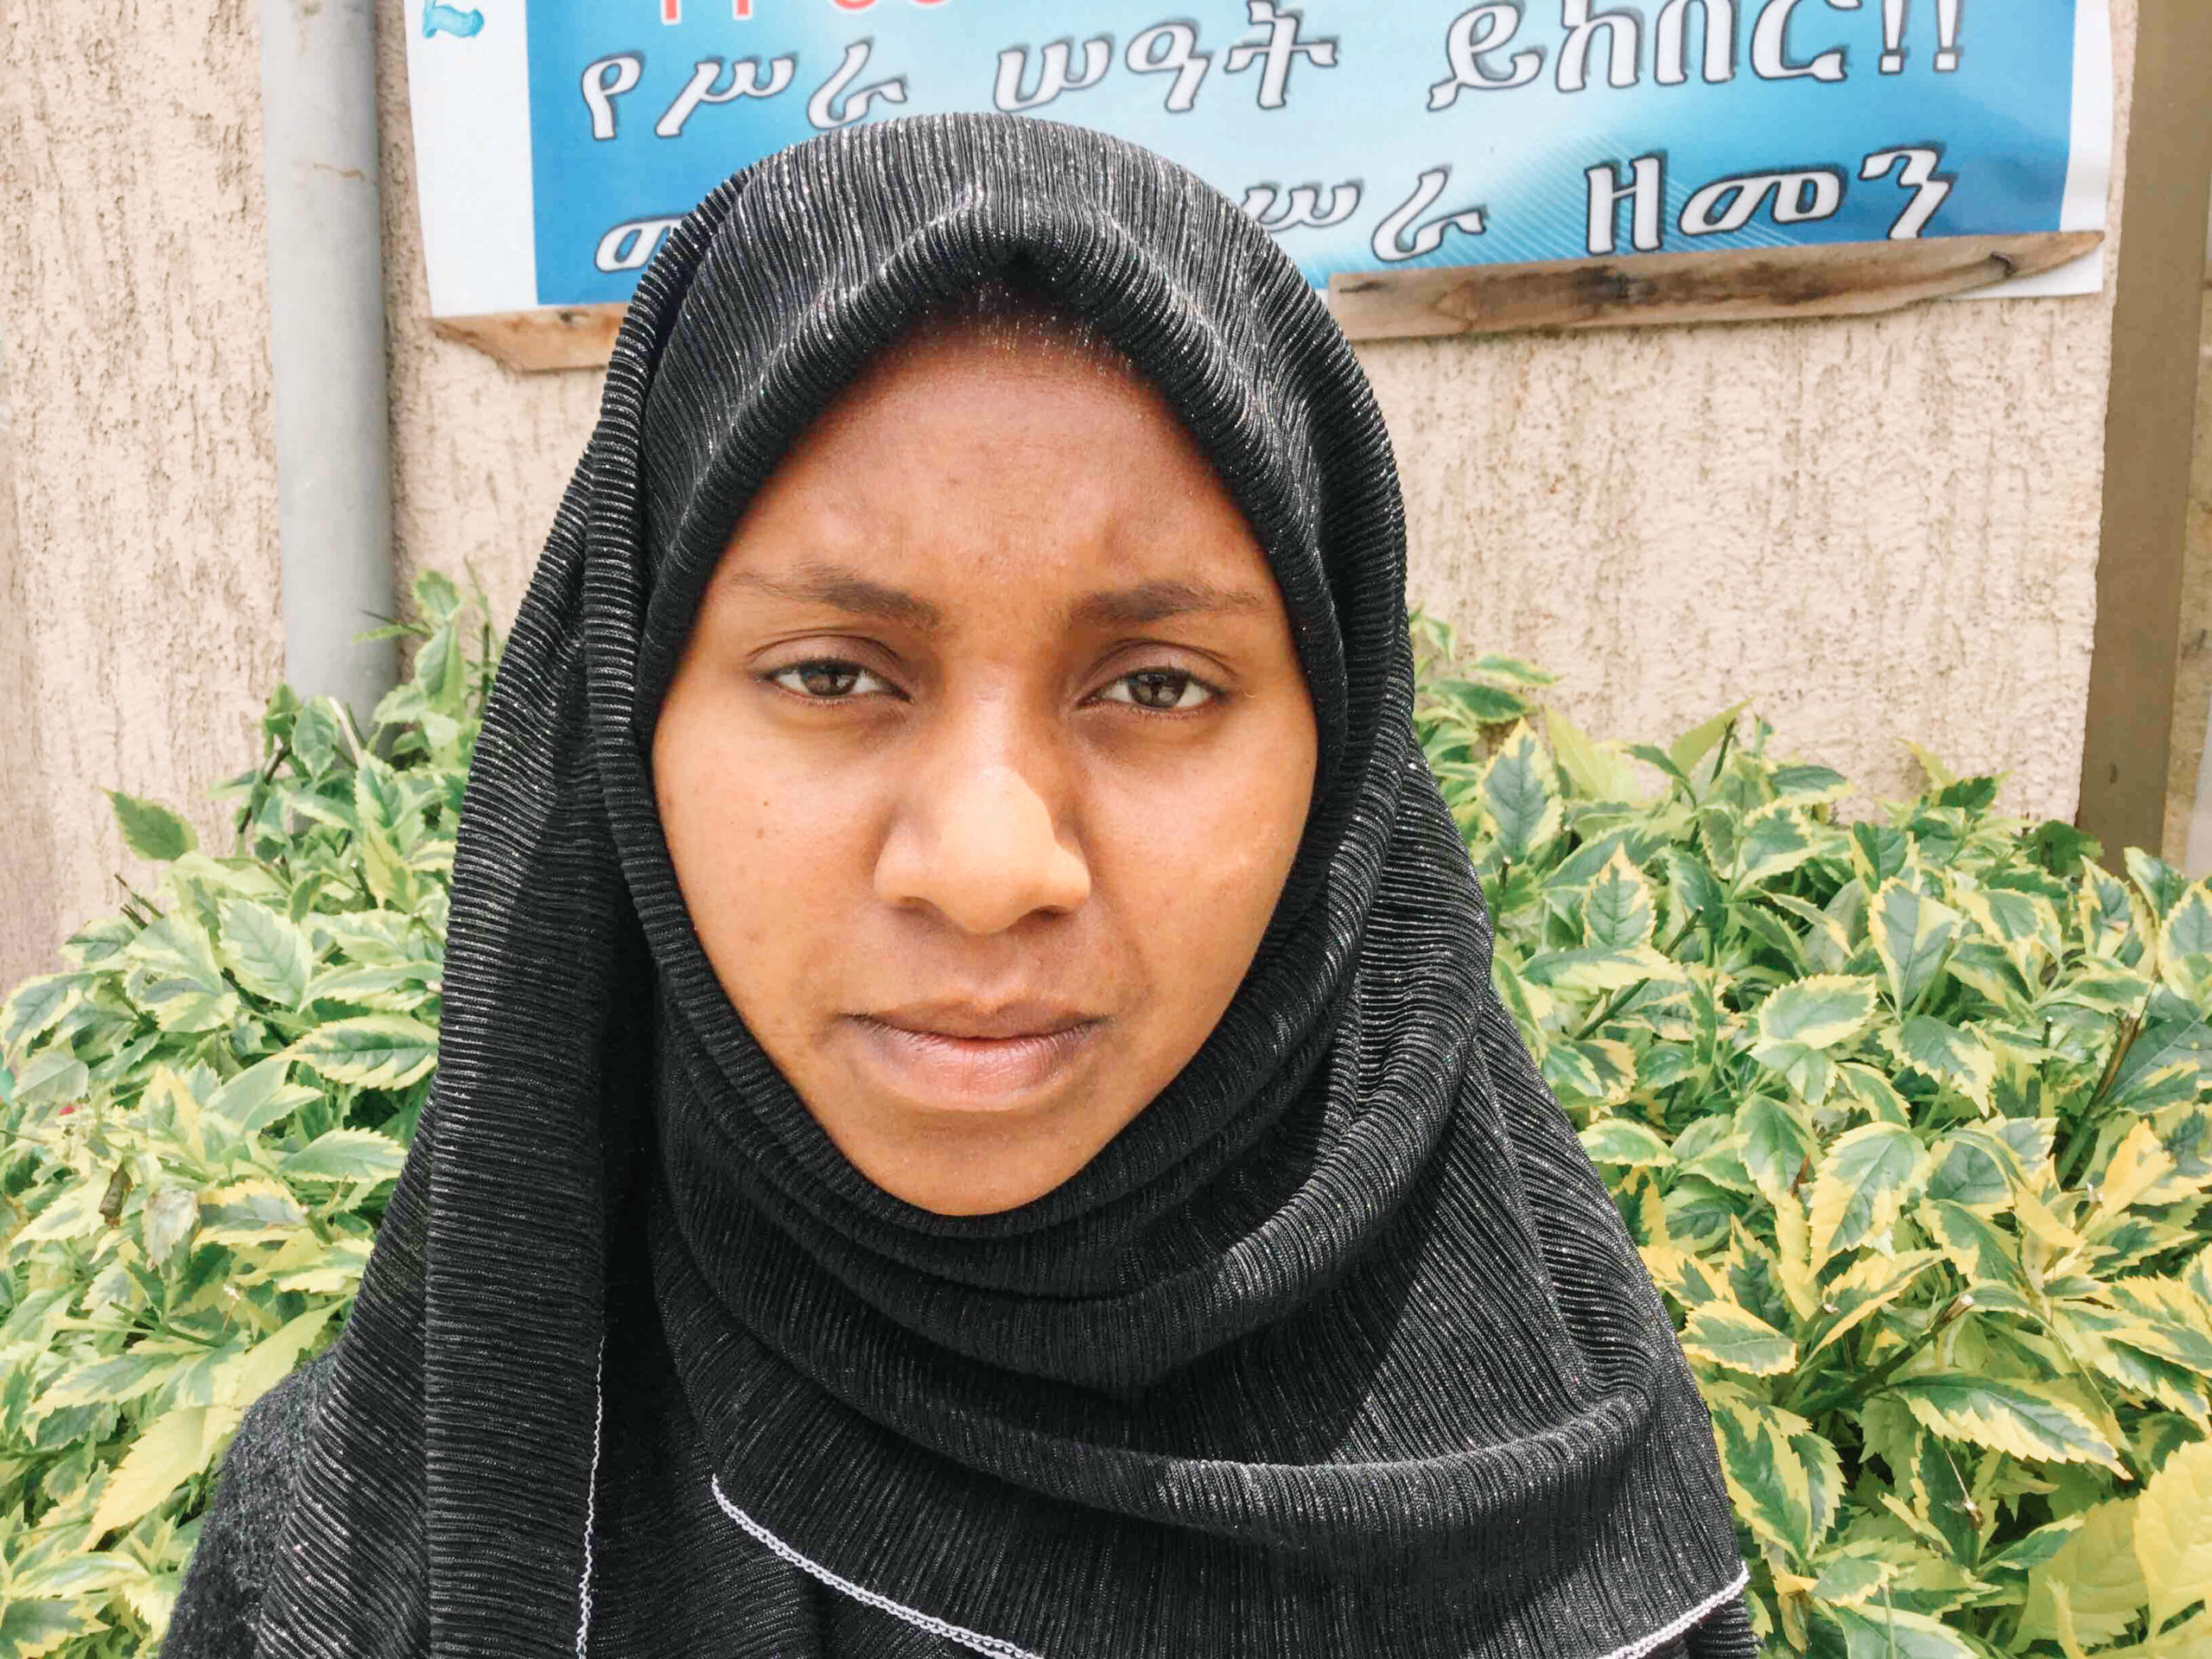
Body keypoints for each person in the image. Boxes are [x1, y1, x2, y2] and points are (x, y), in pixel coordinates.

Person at [161, 111, 1755, 1658]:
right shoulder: (383, 1536)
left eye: (1158, 686)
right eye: (832, 673)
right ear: (630, 724)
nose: (991, 871)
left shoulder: (1543, 1443)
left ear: (1338, 769)